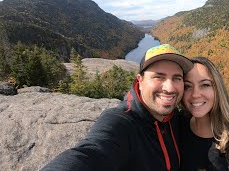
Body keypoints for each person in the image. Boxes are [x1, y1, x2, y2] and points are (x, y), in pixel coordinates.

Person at [41, 44, 193, 171]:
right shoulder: (120, 121)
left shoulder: (176, 119)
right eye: (158, 76)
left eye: (177, 78)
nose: (170, 87)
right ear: (140, 81)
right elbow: (91, 154)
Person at [179, 57, 229, 171]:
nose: (195, 94)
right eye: (187, 86)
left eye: (205, 85)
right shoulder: (177, 125)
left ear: (217, 89)